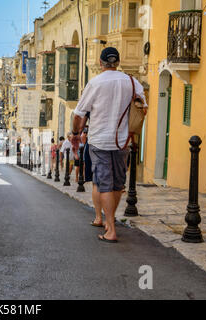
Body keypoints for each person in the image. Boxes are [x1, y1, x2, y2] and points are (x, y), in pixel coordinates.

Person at [71, 47, 147, 243]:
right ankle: (110, 221)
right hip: (122, 142)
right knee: (117, 184)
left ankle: (110, 228)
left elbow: (80, 113)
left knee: (104, 184)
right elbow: (143, 106)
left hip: (99, 141)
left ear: (100, 62)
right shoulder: (131, 81)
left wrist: (76, 134)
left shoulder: (95, 83)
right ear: (118, 62)